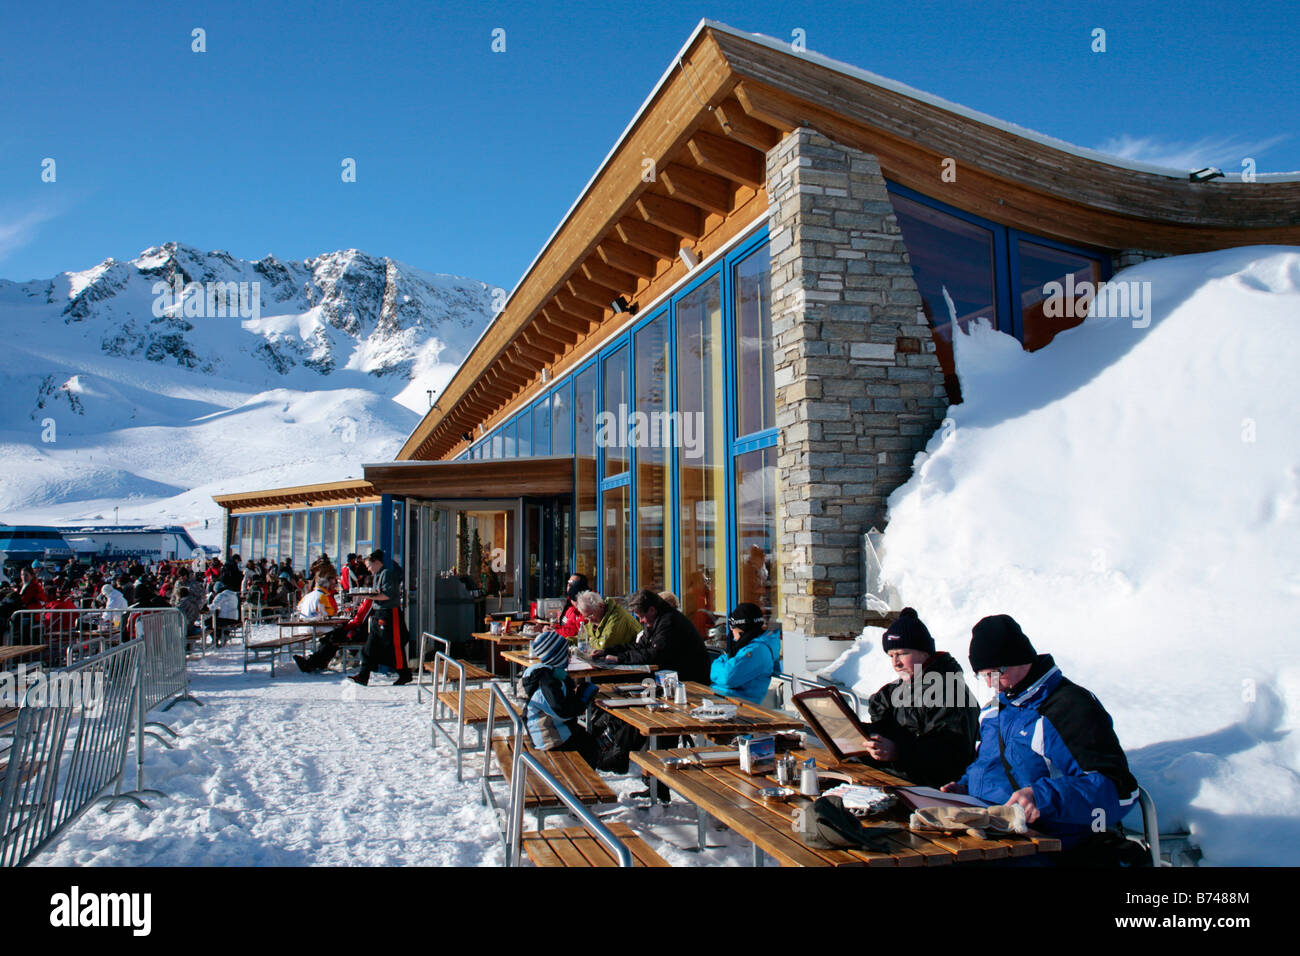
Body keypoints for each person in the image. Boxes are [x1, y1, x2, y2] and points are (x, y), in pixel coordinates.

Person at [941, 614, 1139, 852]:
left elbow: (1118, 790)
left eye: (996, 672)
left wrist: (1042, 798)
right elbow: (991, 765)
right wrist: (965, 788)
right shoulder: (995, 711)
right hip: (990, 833)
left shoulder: (1068, 708)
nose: (992, 684)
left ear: (1020, 658)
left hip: (1052, 842)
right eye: (983, 675)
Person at [857, 607, 979, 787]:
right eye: (891, 655)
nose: (896, 663)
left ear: (924, 651)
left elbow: (950, 755)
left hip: (934, 789)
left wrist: (898, 751)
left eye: (902, 653)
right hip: (898, 777)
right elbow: (886, 728)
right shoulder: (900, 689)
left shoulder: (950, 691)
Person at [520, 630, 600, 768]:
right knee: (589, 748)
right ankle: (582, 781)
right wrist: (582, 699)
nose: (570, 657)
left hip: (552, 729)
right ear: (558, 657)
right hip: (549, 738)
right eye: (567, 653)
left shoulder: (549, 675)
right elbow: (562, 710)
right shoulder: (546, 682)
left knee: (589, 741)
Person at [603, 588, 710, 683]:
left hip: (689, 678)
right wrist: (607, 651)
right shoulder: (653, 620)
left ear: (652, 610)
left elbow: (656, 654)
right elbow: (640, 646)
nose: (641, 621)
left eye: (642, 617)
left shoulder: (669, 622)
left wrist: (620, 658)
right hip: (673, 674)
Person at [350, 550, 412, 686]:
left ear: (377, 562)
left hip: (389, 613)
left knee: (394, 644)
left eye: (369, 566)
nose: (368, 569)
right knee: (370, 644)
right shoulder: (378, 575)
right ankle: (363, 674)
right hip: (379, 613)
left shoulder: (387, 574)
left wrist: (369, 597)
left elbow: (387, 595)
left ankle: (404, 673)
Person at [709, 602, 781, 704]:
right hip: (724, 699)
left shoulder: (757, 651)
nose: (732, 632)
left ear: (742, 628)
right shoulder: (747, 646)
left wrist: (718, 665)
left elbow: (727, 677)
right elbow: (725, 664)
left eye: (733, 628)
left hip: (737, 705)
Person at [294, 598, 374, 673]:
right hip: (360, 632)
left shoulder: (369, 601)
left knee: (333, 638)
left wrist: (345, 626)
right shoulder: (369, 600)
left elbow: (358, 621)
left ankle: (313, 663)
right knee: (331, 636)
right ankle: (317, 661)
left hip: (359, 634)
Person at [572, 591, 638, 653]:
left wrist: (590, 640)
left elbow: (604, 646)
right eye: (586, 617)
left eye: (591, 615)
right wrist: (565, 642)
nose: (590, 620)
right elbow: (582, 637)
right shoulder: (597, 618)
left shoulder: (616, 617)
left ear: (601, 606)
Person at [552, 574, 589, 640]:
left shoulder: (586, 606)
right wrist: (554, 627)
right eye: (568, 582)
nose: (569, 585)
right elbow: (565, 625)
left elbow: (576, 631)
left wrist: (553, 632)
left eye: (573, 583)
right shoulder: (569, 602)